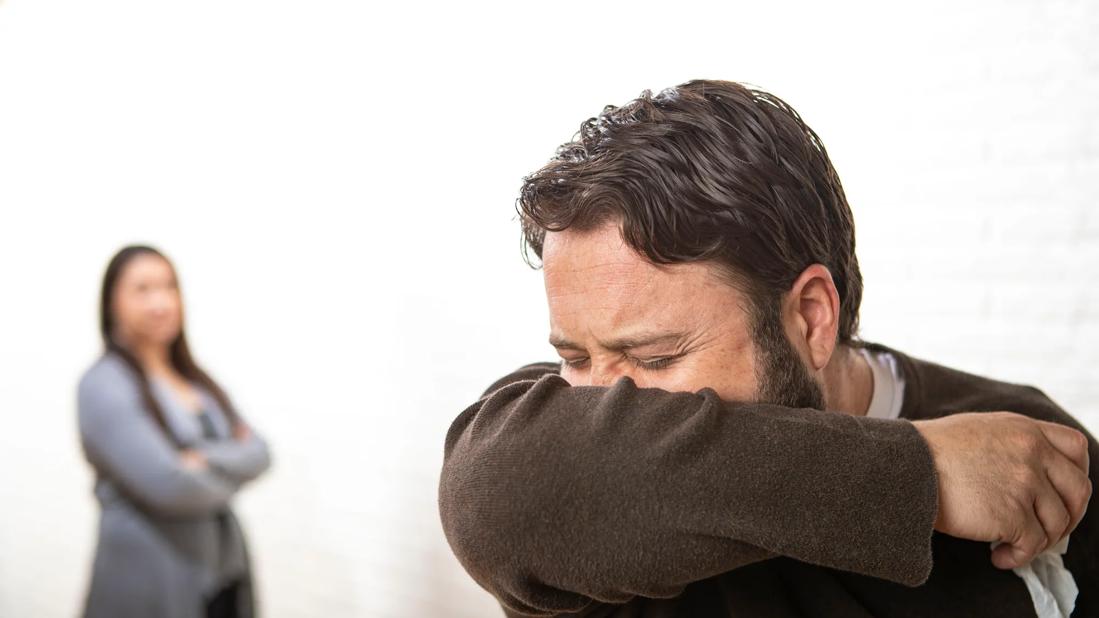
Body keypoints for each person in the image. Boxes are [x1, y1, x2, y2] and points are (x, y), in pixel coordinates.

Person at [438, 80, 1096, 617]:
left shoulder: (1026, 459)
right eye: (575, 356)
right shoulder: (557, 469)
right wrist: (920, 475)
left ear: (810, 318)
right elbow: (493, 501)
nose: (602, 400)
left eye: (655, 357)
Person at [77, 245, 272, 618]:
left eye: (169, 287)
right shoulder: (103, 385)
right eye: (143, 289)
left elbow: (261, 452)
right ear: (111, 302)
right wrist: (231, 466)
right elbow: (171, 485)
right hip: (149, 583)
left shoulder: (194, 379)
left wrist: (203, 459)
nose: (160, 303)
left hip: (220, 576)